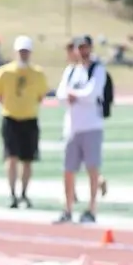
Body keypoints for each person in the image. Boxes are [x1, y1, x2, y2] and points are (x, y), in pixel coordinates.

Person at [55, 37, 107, 224]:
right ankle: (67, 208)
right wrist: (72, 96)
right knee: (68, 170)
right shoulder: (71, 71)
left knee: (92, 169)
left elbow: (92, 93)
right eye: (80, 47)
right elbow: (60, 94)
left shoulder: (97, 69)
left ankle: (91, 209)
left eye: (86, 47)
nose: (83, 51)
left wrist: (74, 94)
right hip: (72, 127)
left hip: (92, 125)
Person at [0, 35, 46, 209]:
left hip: (29, 119)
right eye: (21, 51)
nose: (24, 54)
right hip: (11, 118)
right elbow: (0, 94)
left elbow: (40, 96)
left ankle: (24, 193)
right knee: (11, 158)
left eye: (26, 51)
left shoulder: (38, 73)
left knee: (28, 159)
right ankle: (12, 193)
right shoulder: (4, 72)